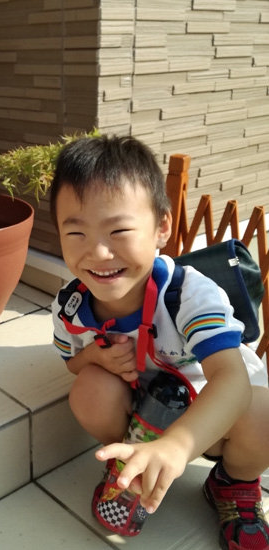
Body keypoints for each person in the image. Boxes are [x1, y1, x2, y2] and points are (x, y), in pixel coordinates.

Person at [50, 134, 269, 549]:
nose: (97, 252)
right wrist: (94, 356)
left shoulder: (187, 294)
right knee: (89, 389)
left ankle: (233, 484)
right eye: (75, 233)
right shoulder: (71, 305)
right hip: (143, 408)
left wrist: (177, 446)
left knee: (264, 416)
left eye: (119, 230)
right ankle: (128, 458)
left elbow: (232, 382)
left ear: (161, 228)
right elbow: (70, 363)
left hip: (216, 412)